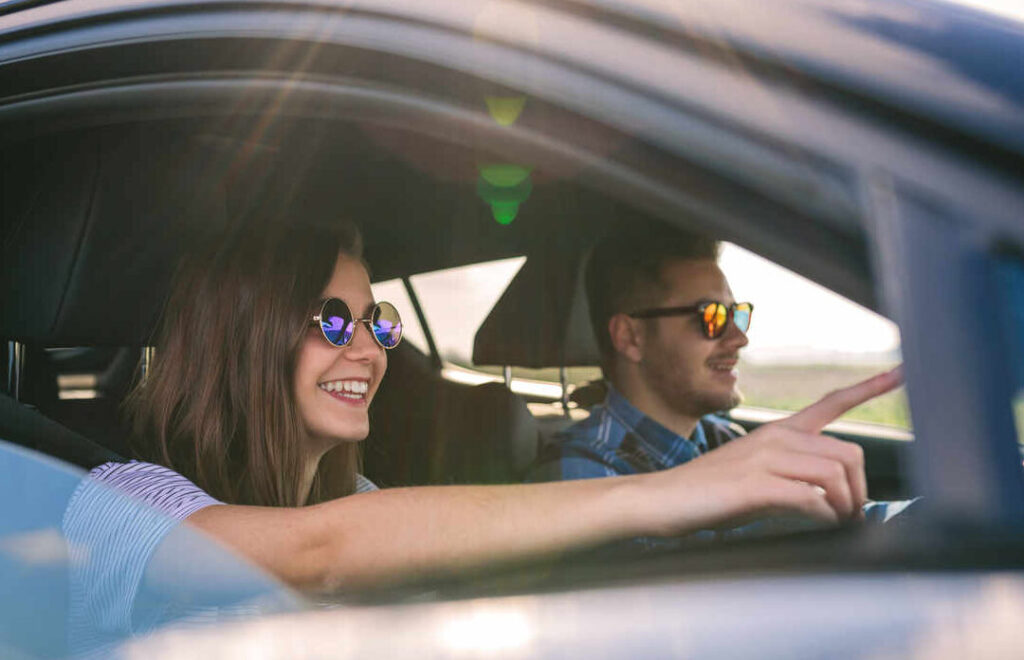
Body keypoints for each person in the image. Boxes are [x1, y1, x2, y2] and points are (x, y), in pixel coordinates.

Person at [63, 215, 900, 614]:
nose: (369, 349)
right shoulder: (116, 506)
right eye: (330, 321)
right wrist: (679, 492)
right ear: (242, 338)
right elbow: (318, 557)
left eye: (378, 321)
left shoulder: (361, 504)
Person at [528, 221, 910, 530]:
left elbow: (836, 522)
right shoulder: (579, 477)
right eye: (711, 317)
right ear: (631, 337)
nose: (739, 338)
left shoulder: (722, 439)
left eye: (737, 313)